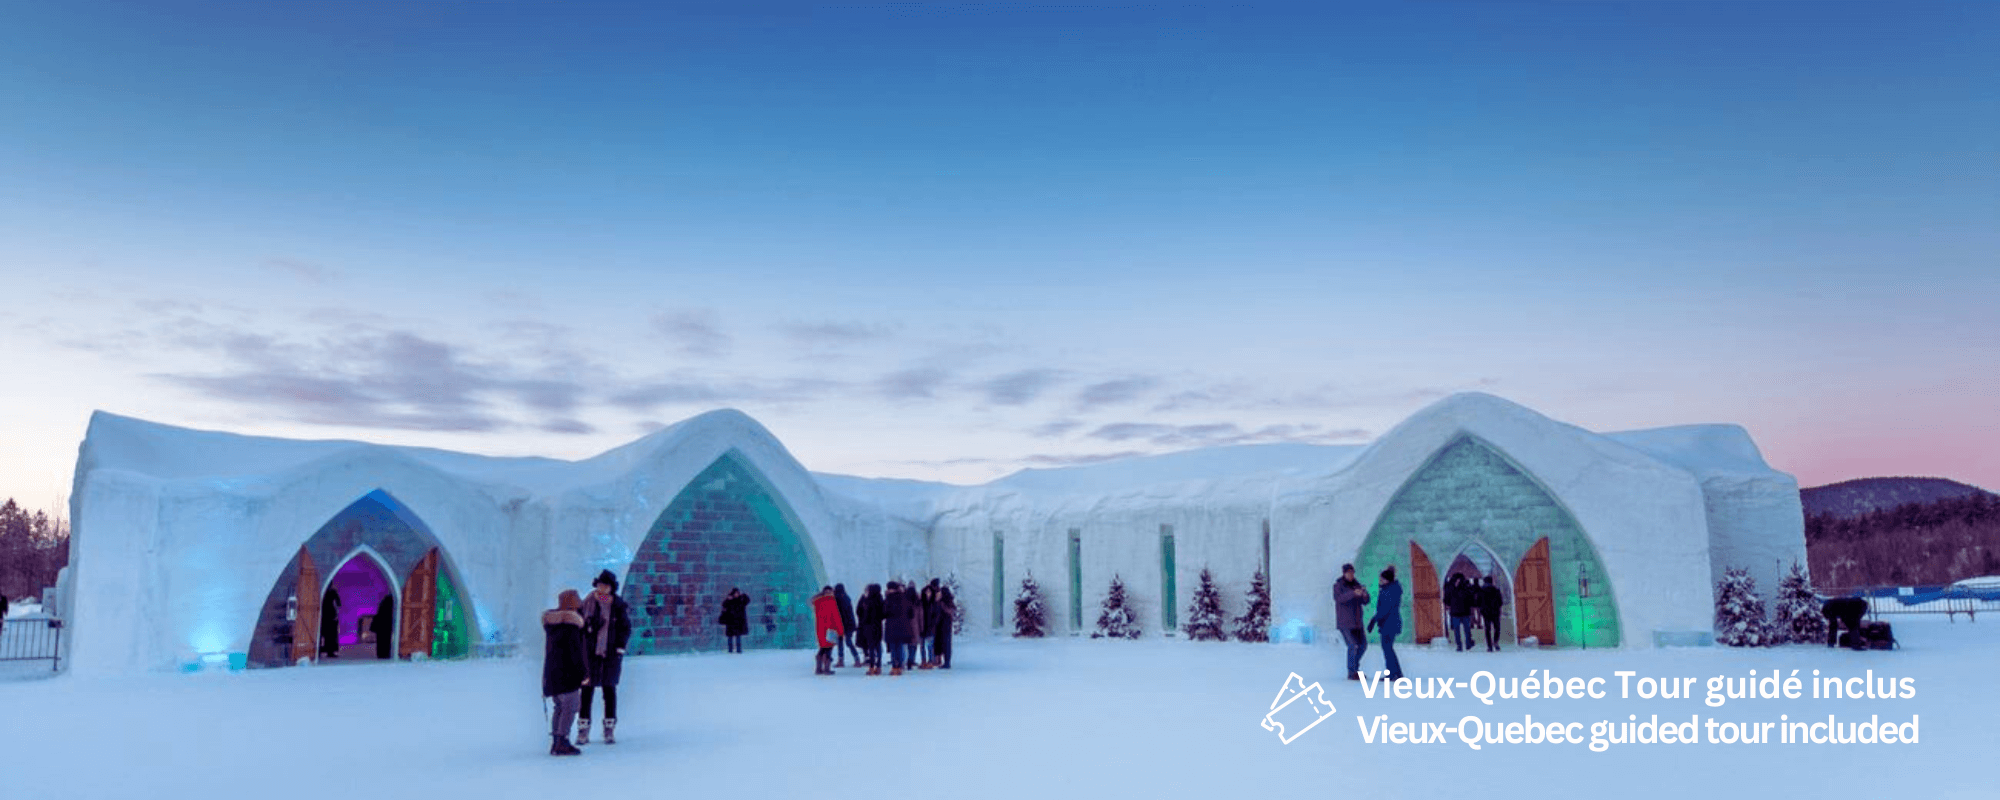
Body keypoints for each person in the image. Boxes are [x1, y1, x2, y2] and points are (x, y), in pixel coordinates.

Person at [578, 570, 632, 745]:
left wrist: (620, 647)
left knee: (609, 690)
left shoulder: (618, 606)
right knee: (586, 691)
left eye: (606, 586)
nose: (602, 589)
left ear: (611, 588)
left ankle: (609, 728)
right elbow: (579, 625)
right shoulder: (587, 602)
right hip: (589, 653)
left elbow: (625, 627)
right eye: (600, 585)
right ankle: (583, 729)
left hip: (610, 654)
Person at [541, 589, 589, 756]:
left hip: (552, 673)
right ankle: (562, 741)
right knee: (570, 707)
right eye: (577, 599)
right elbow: (576, 652)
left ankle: (556, 741)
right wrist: (583, 673)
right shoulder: (571, 626)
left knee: (559, 707)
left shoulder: (553, 625)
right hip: (568, 674)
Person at [1333, 563, 1370, 680]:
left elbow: (1366, 601)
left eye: (1352, 572)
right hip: (1345, 622)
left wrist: (1364, 594)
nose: (1351, 575)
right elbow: (1339, 598)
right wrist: (1353, 593)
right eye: (1349, 573)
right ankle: (1352, 671)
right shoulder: (1338, 585)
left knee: (1363, 646)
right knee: (1353, 646)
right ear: (1344, 573)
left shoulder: (1357, 585)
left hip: (1357, 622)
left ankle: (1353, 667)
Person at [1367, 566, 1404, 682]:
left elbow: (1385, 609)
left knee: (1387, 648)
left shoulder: (1389, 591)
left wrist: (1374, 619)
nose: (1380, 581)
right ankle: (1396, 672)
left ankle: (1392, 673)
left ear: (1387, 580)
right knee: (1388, 648)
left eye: (1382, 579)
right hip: (1390, 622)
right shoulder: (1390, 589)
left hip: (1389, 623)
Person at [810, 585, 844, 675]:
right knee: (828, 649)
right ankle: (826, 669)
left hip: (820, 629)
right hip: (831, 629)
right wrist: (840, 631)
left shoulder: (817, 602)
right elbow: (836, 617)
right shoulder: (831, 601)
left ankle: (818, 668)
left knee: (822, 648)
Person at [883, 582, 912, 675]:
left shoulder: (889, 598)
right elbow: (911, 613)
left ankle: (895, 666)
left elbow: (884, 612)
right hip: (903, 626)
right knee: (900, 647)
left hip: (892, 626)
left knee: (893, 648)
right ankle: (900, 665)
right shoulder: (904, 597)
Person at [856, 583, 885, 675]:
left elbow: (859, 611)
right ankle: (879, 666)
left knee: (871, 647)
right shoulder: (880, 600)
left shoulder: (867, 600)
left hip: (869, 626)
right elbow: (883, 614)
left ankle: (872, 667)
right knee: (878, 646)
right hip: (878, 626)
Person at [1446, 574, 1475, 652]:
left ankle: (1459, 646)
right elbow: (1471, 599)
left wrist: (1449, 605)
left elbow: (1446, 599)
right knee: (1467, 629)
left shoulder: (1450, 588)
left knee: (1457, 630)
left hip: (1455, 612)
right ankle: (1468, 644)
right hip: (1465, 611)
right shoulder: (1466, 588)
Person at [833, 583, 860, 668]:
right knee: (847, 642)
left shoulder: (838, 599)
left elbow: (842, 613)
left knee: (843, 642)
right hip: (849, 624)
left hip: (844, 624)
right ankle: (856, 659)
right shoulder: (846, 598)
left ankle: (842, 660)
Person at [930, 586, 955, 669]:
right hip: (948, 626)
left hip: (940, 626)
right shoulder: (950, 601)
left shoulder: (940, 602)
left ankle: (942, 662)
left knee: (941, 644)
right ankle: (947, 662)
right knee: (947, 644)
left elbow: (937, 614)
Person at [1478, 577, 1505, 652]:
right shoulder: (1496, 590)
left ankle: (1489, 646)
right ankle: (1496, 642)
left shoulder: (1481, 590)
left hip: (1486, 612)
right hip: (1495, 611)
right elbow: (1500, 602)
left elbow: (1478, 601)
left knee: (1487, 629)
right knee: (1497, 627)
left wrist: (1481, 608)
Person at [719, 588, 750, 653]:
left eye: (737, 593)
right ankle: (730, 650)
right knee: (730, 637)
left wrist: (743, 595)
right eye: (735, 593)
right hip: (730, 621)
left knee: (738, 636)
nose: (736, 594)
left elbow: (747, 600)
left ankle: (738, 650)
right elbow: (724, 605)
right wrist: (728, 599)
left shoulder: (741, 600)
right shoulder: (730, 600)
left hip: (739, 621)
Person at [319, 585, 342, 658]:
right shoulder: (332, 592)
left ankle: (320, 650)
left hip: (322, 615)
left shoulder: (320, 591)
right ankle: (330, 651)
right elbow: (338, 603)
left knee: (322, 634)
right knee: (331, 635)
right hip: (330, 615)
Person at [917, 584, 937, 669]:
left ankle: (930, 661)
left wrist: (933, 625)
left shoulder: (934, 603)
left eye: (929, 591)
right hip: (921, 626)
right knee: (922, 646)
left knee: (930, 646)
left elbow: (936, 615)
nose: (928, 593)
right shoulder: (921, 603)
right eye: (926, 591)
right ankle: (923, 661)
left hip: (930, 627)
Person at [370, 594, 396, 659]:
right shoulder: (391, 606)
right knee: (386, 641)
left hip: (381, 626)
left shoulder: (383, 605)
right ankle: (385, 654)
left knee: (381, 642)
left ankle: (381, 654)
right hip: (387, 626)